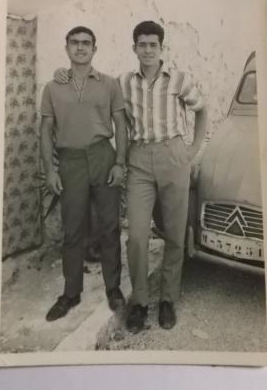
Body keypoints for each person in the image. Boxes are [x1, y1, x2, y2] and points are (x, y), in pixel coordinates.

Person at [55, 21, 207, 332]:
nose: (148, 50)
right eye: (142, 45)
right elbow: (91, 84)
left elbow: (202, 110)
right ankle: (139, 301)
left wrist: (192, 150)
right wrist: (64, 74)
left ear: (162, 48)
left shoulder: (179, 79)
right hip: (138, 161)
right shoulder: (122, 83)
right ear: (134, 48)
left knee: (174, 234)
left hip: (173, 156)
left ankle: (168, 299)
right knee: (137, 236)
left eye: (153, 45)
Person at [40, 26, 127, 321]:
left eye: (86, 43)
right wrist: (50, 170)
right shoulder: (53, 87)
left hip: (103, 156)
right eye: (75, 43)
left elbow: (121, 124)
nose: (80, 47)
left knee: (109, 226)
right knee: (73, 229)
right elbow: (45, 130)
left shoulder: (109, 84)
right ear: (66, 48)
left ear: (94, 49)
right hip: (71, 161)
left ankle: (113, 288)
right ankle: (71, 293)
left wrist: (120, 163)